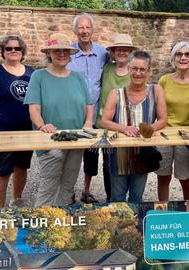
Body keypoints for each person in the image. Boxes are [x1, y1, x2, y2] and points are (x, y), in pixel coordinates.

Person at [24, 33, 93, 207]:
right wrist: (42, 125)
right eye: (57, 50)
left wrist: (87, 123)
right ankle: (41, 223)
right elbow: (33, 109)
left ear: (70, 55)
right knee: (49, 184)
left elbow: (89, 106)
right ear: (49, 53)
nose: (61, 54)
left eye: (65, 51)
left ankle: (60, 221)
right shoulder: (38, 76)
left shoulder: (77, 77)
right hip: (50, 139)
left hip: (76, 138)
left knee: (68, 184)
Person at [100, 50, 167, 203]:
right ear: (129, 69)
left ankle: (134, 226)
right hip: (119, 155)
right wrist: (124, 128)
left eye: (142, 69)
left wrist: (151, 128)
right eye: (134, 69)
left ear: (149, 72)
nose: (138, 73)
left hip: (143, 154)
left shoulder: (156, 91)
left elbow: (163, 119)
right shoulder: (116, 94)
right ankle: (118, 226)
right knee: (117, 198)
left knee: (137, 197)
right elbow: (104, 121)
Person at [0, 35, 34, 208]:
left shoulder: (31, 72)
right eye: (9, 48)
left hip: (26, 130)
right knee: (2, 171)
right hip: (2, 131)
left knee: (21, 167)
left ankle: (17, 199)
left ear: (22, 51)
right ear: (3, 51)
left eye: (17, 48)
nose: (13, 51)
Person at [67, 13, 109, 204]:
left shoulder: (103, 54)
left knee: (92, 153)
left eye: (87, 27)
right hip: (73, 112)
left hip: (96, 113)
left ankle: (86, 190)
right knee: (71, 153)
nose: (84, 31)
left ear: (93, 30)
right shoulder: (68, 53)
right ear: (75, 30)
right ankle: (68, 190)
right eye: (80, 28)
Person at [156, 41, 189, 201]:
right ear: (173, 58)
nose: (183, 57)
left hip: (188, 137)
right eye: (179, 54)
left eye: (187, 54)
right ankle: (163, 212)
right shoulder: (164, 80)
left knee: (185, 178)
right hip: (165, 135)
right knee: (163, 177)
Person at [96, 33, 137, 202]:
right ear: (113, 52)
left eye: (126, 50)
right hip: (106, 125)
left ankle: (131, 198)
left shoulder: (135, 72)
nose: (122, 53)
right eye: (119, 49)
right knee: (109, 163)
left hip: (129, 126)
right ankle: (111, 198)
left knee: (131, 160)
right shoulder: (106, 69)